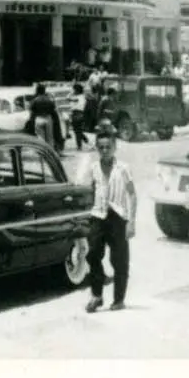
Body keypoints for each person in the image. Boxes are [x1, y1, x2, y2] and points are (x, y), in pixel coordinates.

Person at [84, 122, 136, 312]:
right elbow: (90, 191)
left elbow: (132, 194)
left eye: (108, 147)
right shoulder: (93, 168)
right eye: (101, 147)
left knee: (119, 260)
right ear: (97, 148)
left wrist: (131, 222)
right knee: (92, 255)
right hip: (98, 216)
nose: (105, 151)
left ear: (115, 147)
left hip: (117, 217)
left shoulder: (123, 168)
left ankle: (119, 299)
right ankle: (97, 295)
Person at [25, 84, 63, 151]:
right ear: (44, 91)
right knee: (50, 138)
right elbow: (53, 110)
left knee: (40, 138)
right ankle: (50, 153)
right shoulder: (49, 100)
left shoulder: (35, 100)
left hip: (39, 118)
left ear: (37, 91)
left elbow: (32, 112)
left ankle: (42, 153)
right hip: (48, 118)